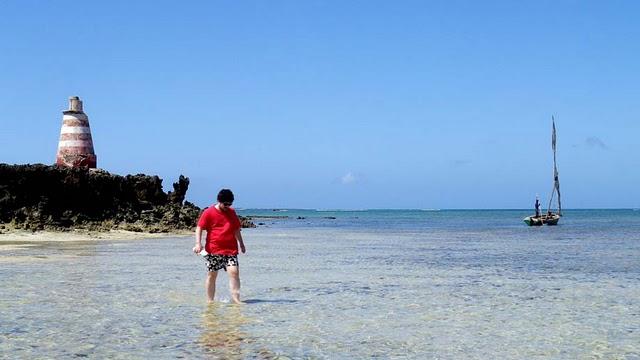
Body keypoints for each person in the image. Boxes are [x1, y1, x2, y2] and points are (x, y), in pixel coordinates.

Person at [193, 189, 246, 304]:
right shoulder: (208, 212)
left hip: (230, 250)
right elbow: (199, 228)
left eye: (230, 204)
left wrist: (241, 244)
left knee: (234, 272)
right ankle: (210, 301)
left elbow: (236, 229)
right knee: (212, 275)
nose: (227, 206)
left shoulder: (232, 212)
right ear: (219, 201)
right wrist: (198, 243)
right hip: (214, 250)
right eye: (225, 204)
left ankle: (236, 300)